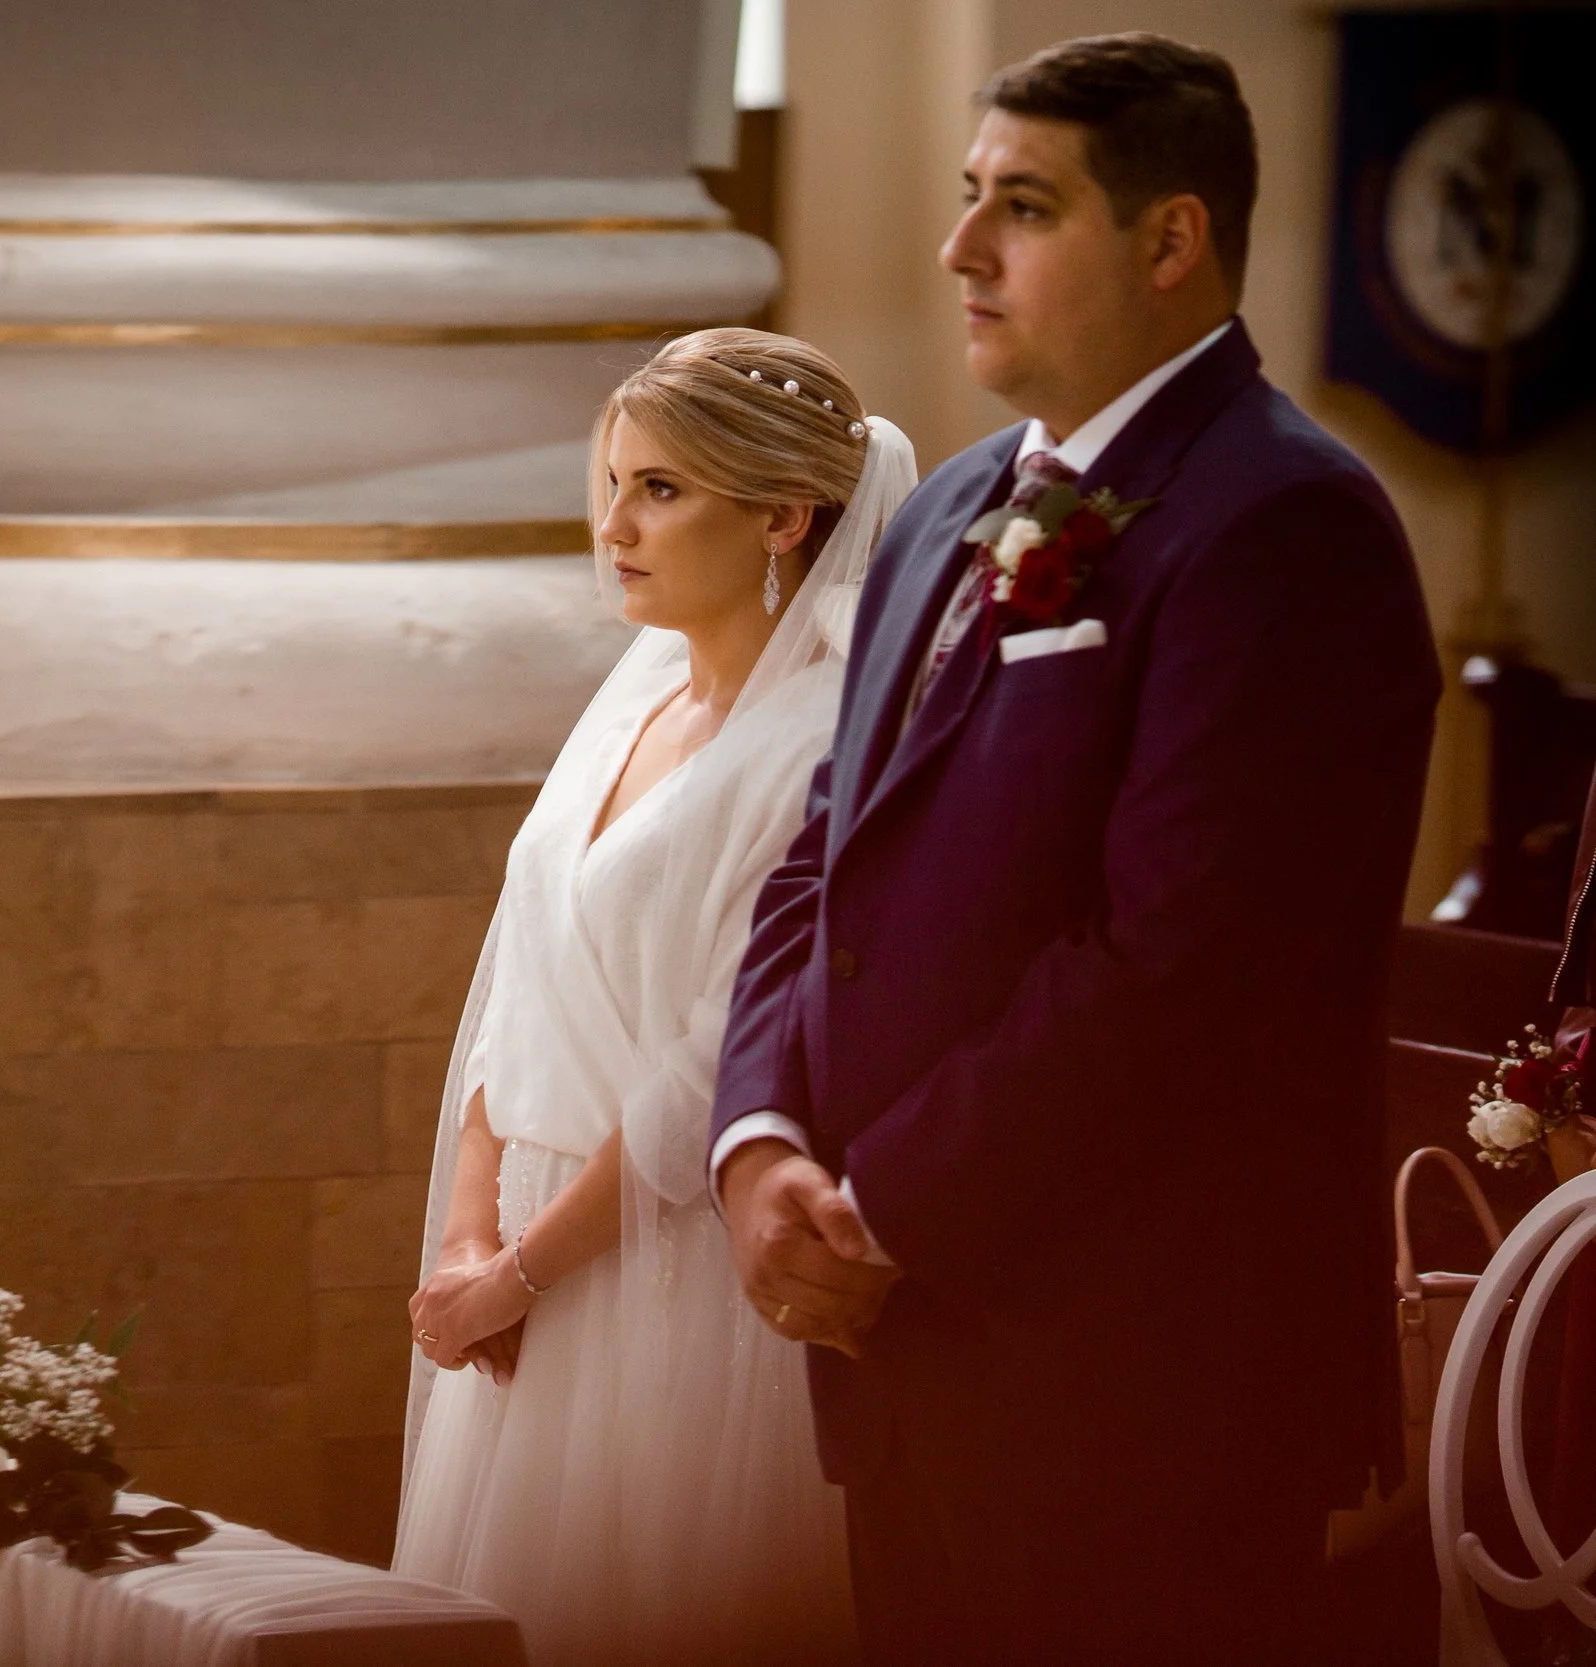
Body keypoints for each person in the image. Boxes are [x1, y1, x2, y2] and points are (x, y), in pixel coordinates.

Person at [710, 34, 1442, 1666]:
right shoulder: (944, 507)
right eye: (968, 197)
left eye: (1021, 207)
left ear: (1170, 240)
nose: (961, 248)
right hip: (904, 1354)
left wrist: (877, 1207)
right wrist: (758, 1142)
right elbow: (818, 859)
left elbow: (1183, 966)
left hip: (1139, 1367)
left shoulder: (1287, 524)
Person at [391, 327, 916, 1666]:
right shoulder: (634, 697)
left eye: (663, 490)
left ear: (784, 515)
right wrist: (463, 1238)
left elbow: (708, 1068)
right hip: (520, 1243)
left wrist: (519, 1268)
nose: (613, 524)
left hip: (660, 1267)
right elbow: (520, 972)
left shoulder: (817, 740)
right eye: (613, 482)